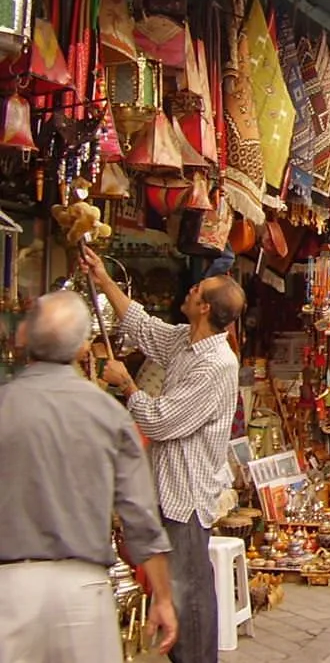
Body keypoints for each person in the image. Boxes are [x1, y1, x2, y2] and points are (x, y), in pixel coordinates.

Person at [82, 244, 245, 663]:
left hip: (186, 495)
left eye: (196, 289)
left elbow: (162, 421)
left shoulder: (216, 363)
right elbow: (144, 327)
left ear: (205, 308)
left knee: (187, 596)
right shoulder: (187, 341)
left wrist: (127, 385)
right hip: (172, 488)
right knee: (181, 590)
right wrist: (102, 277)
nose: (188, 291)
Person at [0, 291, 178, 662]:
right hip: (83, 591)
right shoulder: (107, 414)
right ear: (83, 348)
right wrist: (162, 597)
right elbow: (141, 517)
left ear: (23, 339)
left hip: (10, 590)